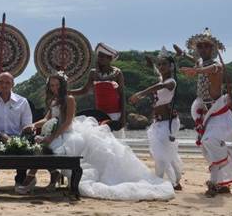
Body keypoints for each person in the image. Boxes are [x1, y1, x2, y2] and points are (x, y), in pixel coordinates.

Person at [17, 71, 175, 200]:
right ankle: (48, 176)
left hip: (68, 133)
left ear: (63, 85)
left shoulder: (69, 99)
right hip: (56, 132)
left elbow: (67, 123)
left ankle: (31, 177)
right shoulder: (53, 101)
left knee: (47, 145)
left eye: (57, 85)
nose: (54, 88)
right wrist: (34, 125)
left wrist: (51, 136)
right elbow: (48, 119)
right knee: (41, 145)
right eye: (52, 85)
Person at [175, 28, 232, 197]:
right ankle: (221, 184)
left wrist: (196, 71)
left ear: (212, 49)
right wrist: (184, 54)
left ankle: (214, 184)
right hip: (204, 112)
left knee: (209, 141)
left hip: (217, 110)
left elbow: (212, 69)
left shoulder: (216, 65)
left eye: (207, 46)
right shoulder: (200, 62)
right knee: (208, 147)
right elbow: (198, 62)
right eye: (200, 47)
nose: (203, 49)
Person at [129, 48, 183, 190]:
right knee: (165, 153)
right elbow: (158, 75)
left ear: (171, 66)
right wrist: (151, 62)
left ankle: (163, 180)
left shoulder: (171, 82)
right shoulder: (162, 77)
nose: (160, 67)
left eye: (164, 64)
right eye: (159, 65)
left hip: (169, 123)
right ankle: (175, 180)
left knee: (161, 153)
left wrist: (141, 93)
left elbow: (161, 85)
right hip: (158, 123)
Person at [69, 43, 126, 135]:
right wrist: (66, 92)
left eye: (103, 57)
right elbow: (84, 90)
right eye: (99, 56)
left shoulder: (117, 73)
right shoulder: (93, 73)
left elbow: (122, 95)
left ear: (110, 59)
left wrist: (123, 117)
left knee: (115, 143)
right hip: (99, 114)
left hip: (115, 114)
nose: (100, 59)